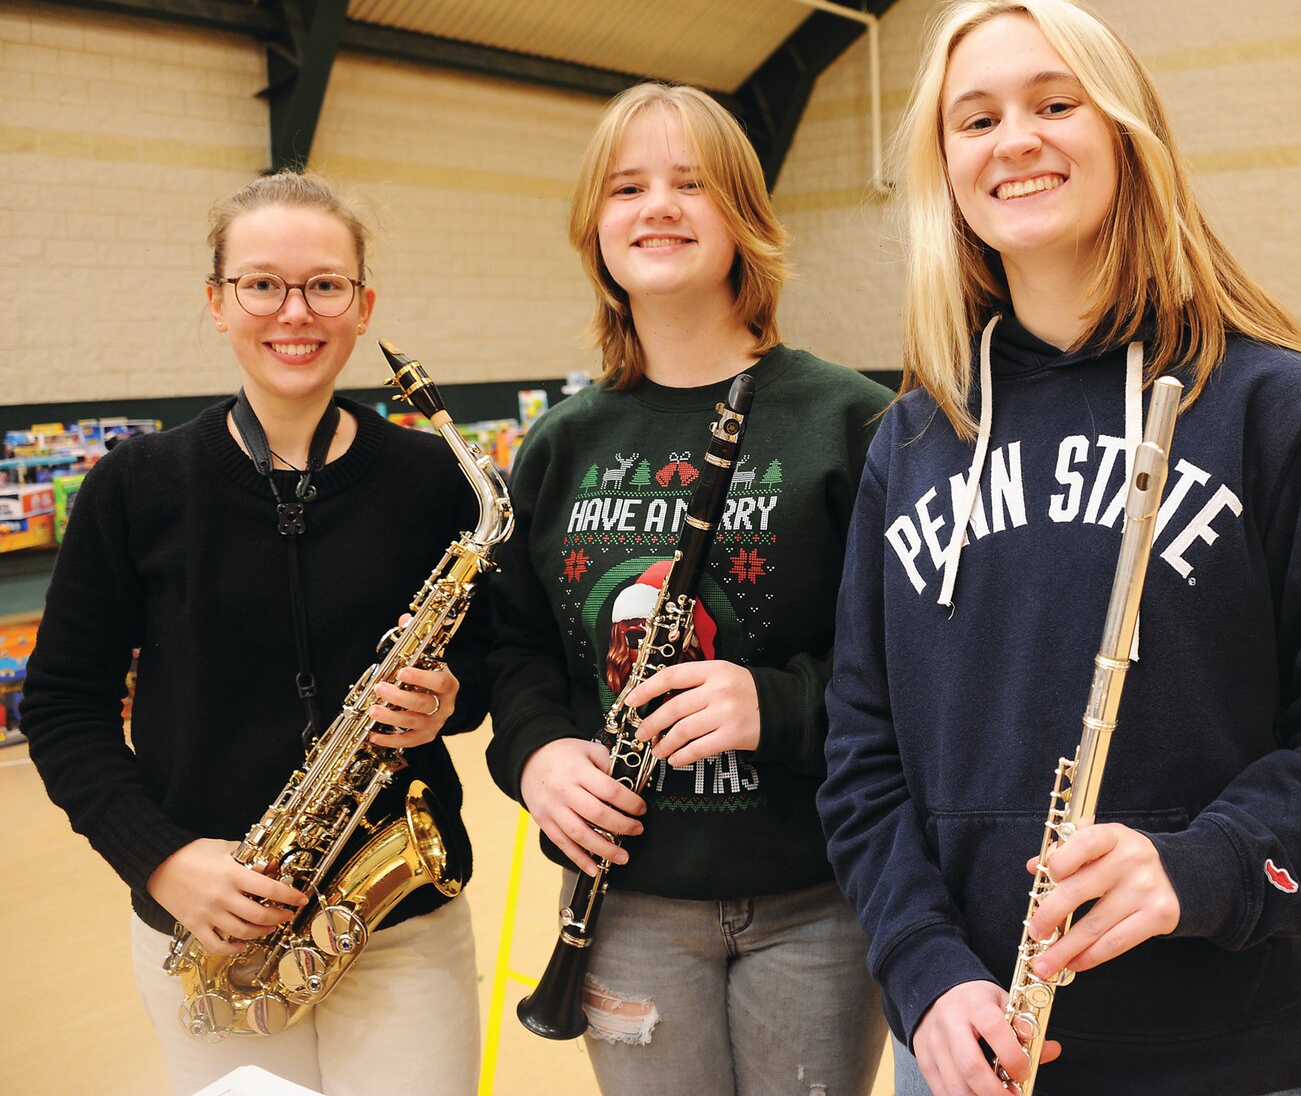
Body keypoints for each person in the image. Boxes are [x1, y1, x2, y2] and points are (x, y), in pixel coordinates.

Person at [816, 0, 1301, 1096]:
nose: (1016, 138)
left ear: (1125, 132)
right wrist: (923, 967)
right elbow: (862, 759)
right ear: (946, 168)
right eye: (976, 118)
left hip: (1239, 1058)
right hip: (964, 1052)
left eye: (1055, 103)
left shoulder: (1283, 411)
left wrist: (1195, 866)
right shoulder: (912, 438)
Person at [22, 172, 493, 1096]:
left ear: (363, 306)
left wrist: (453, 698)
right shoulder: (135, 486)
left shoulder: (433, 479)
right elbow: (62, 707)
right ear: (216, 302)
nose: (295, 311)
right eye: (261, 284)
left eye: (325, 284)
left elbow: (487, 660)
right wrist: (160, 858)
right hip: (212, 928)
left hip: (401, 928)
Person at [486, 81, 891, 1096]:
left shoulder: (855, 422)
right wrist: (535, 757)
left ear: (746, 220)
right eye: (627, 186)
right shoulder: (561, 443)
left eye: (690, 183)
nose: (656, 206)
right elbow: (515, 646)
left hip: (822, 895)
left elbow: (923, 660)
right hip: (625, 904)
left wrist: (780, 701)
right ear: (595, 228)